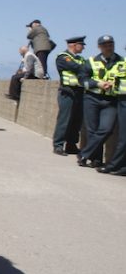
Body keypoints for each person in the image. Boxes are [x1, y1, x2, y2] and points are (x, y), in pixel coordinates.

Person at [78, 35, 122, 168]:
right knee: (92, 130)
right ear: (99, 47)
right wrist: (98, 84)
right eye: (105, 45)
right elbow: (82, 79)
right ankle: (96, 159)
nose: (109, 47)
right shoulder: (90, 61)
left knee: (106, 129)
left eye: (111, 44)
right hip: (92, 98)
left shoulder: (121, 61)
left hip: (111, 100)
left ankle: (83, 154)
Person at [51, 36, 87, 156]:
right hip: (67, 92)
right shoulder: (63, 57)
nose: (83, 47)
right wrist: (85, 70)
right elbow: (76, 68)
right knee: (64, 119)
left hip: (79, 92)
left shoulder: (81, 59)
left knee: (76, 120)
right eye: (81, 44)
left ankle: (71, 145)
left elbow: (87, 70)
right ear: (74, 45)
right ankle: (58, 145)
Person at [97, 43, 126, 175]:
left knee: (123, 137)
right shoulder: (123, 62)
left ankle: (114, 165)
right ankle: (122, 167)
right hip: (120, 99)